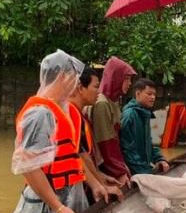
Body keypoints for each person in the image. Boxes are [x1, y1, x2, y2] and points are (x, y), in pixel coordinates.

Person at [9, 50, 88, 213]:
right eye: (74, 78)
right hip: (47, 206)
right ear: (62, 76)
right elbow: (29, 167)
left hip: (66, 197)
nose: (77, 84)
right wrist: (58, 207)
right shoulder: (40, 114)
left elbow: (74, 155)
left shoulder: (64, 110)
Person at [68, 67, 124, 204]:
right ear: (81, 88)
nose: (99, 92)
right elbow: (79, 156)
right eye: (95, 87)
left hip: (82, 184)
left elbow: (84, 154)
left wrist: (100, 176)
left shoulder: (79, 115)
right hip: (73, 189)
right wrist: (99, 184)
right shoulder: (71, 116)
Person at [90, 56, 136, 186]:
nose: (129, 83)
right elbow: (105, 144)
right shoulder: (102, 104)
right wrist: (119, 172)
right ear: (116, 78)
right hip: (104, 170)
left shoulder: (113, 102)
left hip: (111, 166)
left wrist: (122, 167)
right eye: (126, 78)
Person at [120, 78, 169, 175]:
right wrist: (144, 171)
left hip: (143, 169)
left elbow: (148, 143)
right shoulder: (130, 115)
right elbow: (127, 150)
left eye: (154, 94)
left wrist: (160, 159)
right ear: (138, 94)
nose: (153, 97)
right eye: (149, 94)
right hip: (134, 172)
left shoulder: (144, 113)